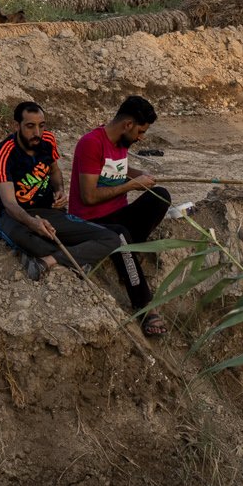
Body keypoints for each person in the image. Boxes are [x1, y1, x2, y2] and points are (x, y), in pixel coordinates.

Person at [70, 94, 171, 337]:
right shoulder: (91, 143)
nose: (141, 137)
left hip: (117, 214)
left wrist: (141, 175)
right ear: (128, 125)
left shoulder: (121, 144)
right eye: (140, 131)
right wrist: (131, 186)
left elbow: (119, 170)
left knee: (161, 196)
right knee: (121, 236)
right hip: (90, 221)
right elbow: (89, 197)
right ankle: (144, 306)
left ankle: (125, 254)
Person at [0, 99, 122, 281]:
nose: (37, 133)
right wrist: (32, 222)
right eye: (30, 126)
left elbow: (55, 171)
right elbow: (9, 203)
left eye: (41, 126)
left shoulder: (47, 140)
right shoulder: (3, 153)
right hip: (16, 216)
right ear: (16, 126)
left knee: (111, 239)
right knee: (27, 238)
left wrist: (59, 189)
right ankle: (75, 259)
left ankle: (49, 260)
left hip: (48, 212)